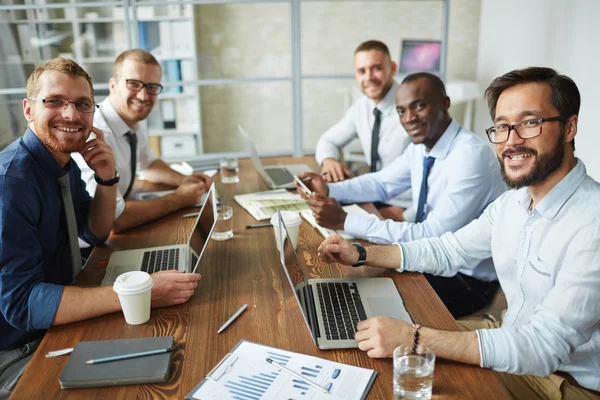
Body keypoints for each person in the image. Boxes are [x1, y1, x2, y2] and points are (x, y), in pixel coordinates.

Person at [317, 67, 600, 399]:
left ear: (570, 127)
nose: (511, 141)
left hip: (563, 381)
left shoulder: (591, 224)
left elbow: (542, 347)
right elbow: (448, 249)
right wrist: (362, 253)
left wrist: (414, 338)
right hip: (510, 340)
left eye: (529, 123)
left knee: (400, 370)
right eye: (503, 126)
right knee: (364, 348)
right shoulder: (514, 202)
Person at [0, 58, 201, 399]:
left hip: (60, 321)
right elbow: (21, 304)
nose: (71, 114)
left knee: (176, 353)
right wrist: (140, 293)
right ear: (29, 109)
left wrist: (107, 179)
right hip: (20, 351)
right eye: (55, 101)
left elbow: (95, 232)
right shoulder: (12, 182)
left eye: (82, 104)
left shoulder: (60, 162)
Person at [301, 72, 505, 318]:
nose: (409, 118)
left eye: (419, 106)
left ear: (445, 103)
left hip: (467, 280)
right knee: (353, 288)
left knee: (367, 306)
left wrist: (344, 221)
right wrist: (330, 189)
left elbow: (431, 236)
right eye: (401, 111)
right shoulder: (421, 147)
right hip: (429, 257)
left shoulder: (470, 157)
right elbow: (382, 183)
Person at [73, 49, 211, 234]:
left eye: (152, 87)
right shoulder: (94, 135)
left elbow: (147, 165)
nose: (144, 96)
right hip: (95, 249)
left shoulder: (133, 120)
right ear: (113, 85)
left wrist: (185, 180)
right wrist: (179, 198)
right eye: (134, 84)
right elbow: (115, 219)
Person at [314, 40, 412, 219]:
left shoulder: (412, 108)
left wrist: (410, 214)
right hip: (373, 198)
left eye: (376, 68)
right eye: (362, 71)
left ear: (393, 68)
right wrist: (328, 160)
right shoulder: (362, 107)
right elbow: (328, 140)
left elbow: (436, 171)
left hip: (404, 207)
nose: (369, 77)